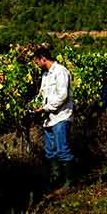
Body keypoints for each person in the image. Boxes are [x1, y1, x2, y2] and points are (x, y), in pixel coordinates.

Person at [30, 46, 74, 188]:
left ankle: (68, 183)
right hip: (48, 119)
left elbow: (62, 96)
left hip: (61, 116)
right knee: (50, 152)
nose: (36, 64)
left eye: (37, 61)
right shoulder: (45, 75)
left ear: (43, 59)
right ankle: (56, 181)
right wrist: (34, 106)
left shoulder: (61, 71)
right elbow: (42, 95)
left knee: (62, 150)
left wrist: (45, 108)